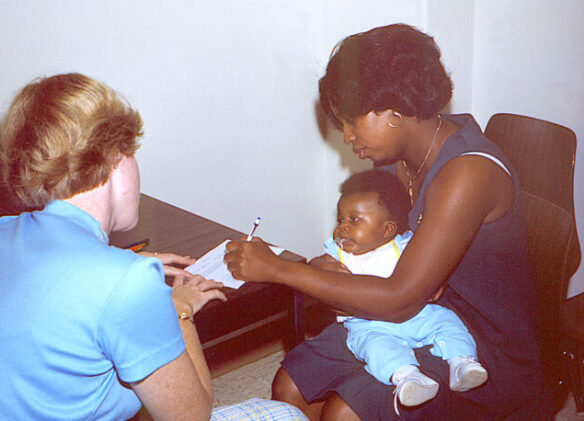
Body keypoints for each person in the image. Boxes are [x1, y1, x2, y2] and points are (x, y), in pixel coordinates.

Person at [224, 23, 548, 419]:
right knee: (291, 385)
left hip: (477, 350)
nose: (345, 136)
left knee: (344, 412)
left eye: (351, 121)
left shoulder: (467, 174)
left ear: (394, 113)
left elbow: (398, 299)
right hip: (416, 318)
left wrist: (279, 269)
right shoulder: (403, 162)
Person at [0, 73, 307, 421]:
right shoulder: (126, 283)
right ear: (114, 158)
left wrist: (120, 265)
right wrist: (176, 312)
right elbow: (192, 415)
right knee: (285, 415)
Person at [313, 169, 487, 414]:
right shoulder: (340, 251)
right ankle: (407, 377)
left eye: (354, 220)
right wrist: (326, 267)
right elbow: (316, 264)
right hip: (369, 323)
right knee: (375, 348)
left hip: (415, 313)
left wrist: (435, 279)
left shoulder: (403, 244)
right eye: (340, 220)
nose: (343, 228)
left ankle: (462, 362)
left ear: (387, 230)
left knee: (447, 321)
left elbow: (430, 261)